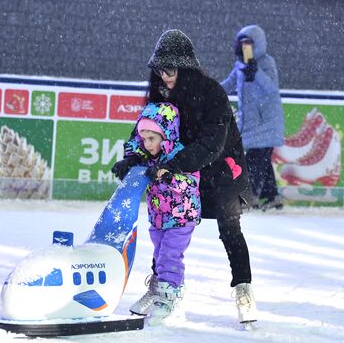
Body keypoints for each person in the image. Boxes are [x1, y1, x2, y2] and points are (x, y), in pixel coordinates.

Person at [112, 29, 257, 324]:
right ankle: (162, 286)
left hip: (220, 170)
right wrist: (132, 156)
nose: (164, 76)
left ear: (186, 68)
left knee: (230, 228)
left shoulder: (212, 93)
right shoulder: (160, 93)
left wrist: (176, 163)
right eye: (159, 70)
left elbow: (212, 143)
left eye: (170, 70)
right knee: (165, 228)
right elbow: (144, 130)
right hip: (176, 175)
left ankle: (243, 288)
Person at [117, 102, 201, 325]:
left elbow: (191, 183)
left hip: (181, 217)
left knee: (169, 256)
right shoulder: (149, 156)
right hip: (158, 217)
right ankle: (164, 289)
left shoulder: (180, 155)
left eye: (151, 138)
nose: (147, 143)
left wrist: (168, 176)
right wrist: (128, 165)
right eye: (143, 138)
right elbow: (136, 158)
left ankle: (167, 297)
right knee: (159, 256)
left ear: (165, 135)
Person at [221, 25, 285, 211]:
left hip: (267, 122)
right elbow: (229, 84)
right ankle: (272, 197)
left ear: (258, 44)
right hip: (251, 124)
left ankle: (249, 198)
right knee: (261, 162)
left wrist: (255, 72)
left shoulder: (267, 63)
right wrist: (209, 89)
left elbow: (272, 88)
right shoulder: (240, 64)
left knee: (253, 162)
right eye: (242, 43)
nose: (245, 47)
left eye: (249, 43)